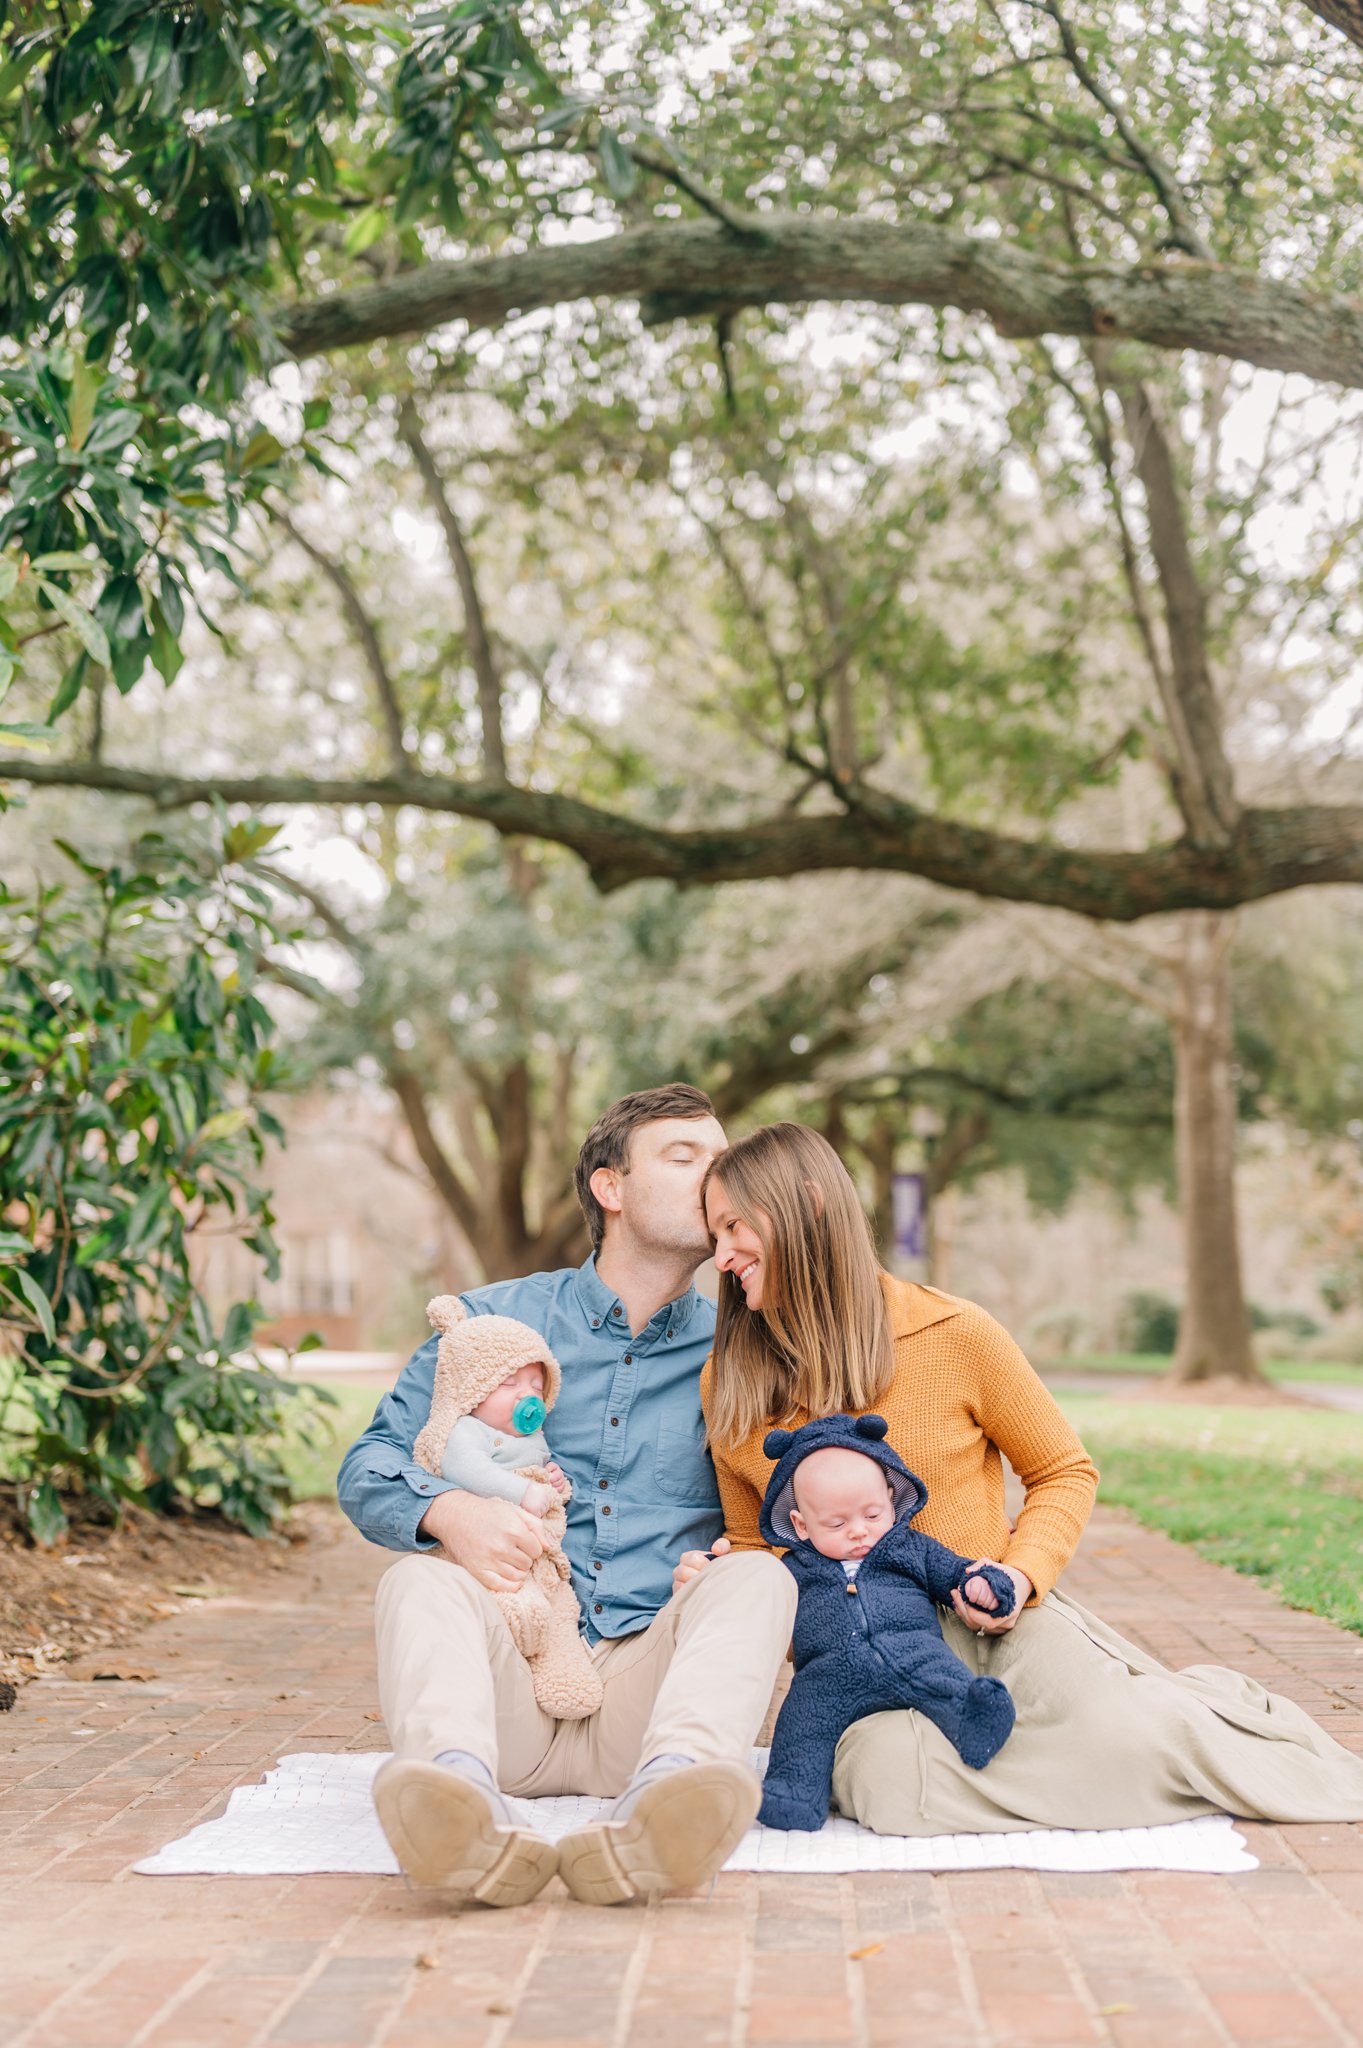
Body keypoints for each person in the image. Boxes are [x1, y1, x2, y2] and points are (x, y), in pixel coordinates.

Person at [688, 1121, 1363, 1836]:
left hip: (995, 1622)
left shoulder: (955, 1332)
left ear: (808, 1206)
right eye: (713, 1234)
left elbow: (1062, 1470)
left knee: (1127, 1736)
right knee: (887, 1784)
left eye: (734, 1226)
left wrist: (1017, 1576)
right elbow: (756, 1543)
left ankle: (1150, 1726)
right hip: (856, 1660)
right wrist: (724, 1576)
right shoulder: (728, 1381)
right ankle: (1075, 1770)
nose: (722, 1254)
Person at [337, 1085, 797, 1907]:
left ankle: (674, 1801)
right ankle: (455, 1804)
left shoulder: (751, 1346)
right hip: (508, 1677)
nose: (714, 1176)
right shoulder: (490, 1321)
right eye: (683, 1156)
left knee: (760, 1578)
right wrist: (451, 1510)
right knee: (417, 1578)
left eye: (721, 1161)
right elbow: (368, 1467)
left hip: (643, 1701)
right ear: (609, 1188)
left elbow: (802, 1503)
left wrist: (730, 1560)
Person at [754, 1412, 1017, 1832]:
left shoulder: (907, 1547)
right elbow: (758, 1600)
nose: (859, 1532)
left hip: (913, 1650)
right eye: (837, 1524)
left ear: (892, 1502)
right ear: (801, 1526)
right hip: (827, 1674)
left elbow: (953, 1571)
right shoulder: (795, 1568)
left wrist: (984, 1585)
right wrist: (718, 1576)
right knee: (802, 1723)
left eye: (872, 1515)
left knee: (946, 1679)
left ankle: (975, 1718)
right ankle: (794, 1790)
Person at [411, 1292, 601, 1723]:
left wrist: (555, 1483)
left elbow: (543, 1476)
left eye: (536, 1386)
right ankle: (517, 1648)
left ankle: (566, 1673)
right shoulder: (468, 1430)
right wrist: (521, 1494)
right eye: (510, 1384)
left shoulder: (529, 1440)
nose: (526, 1396)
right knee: (514, 1602)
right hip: (495, 1552)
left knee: (561, 1609)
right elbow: (468, 1471)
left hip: (542, 1557)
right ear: (475, 1387)